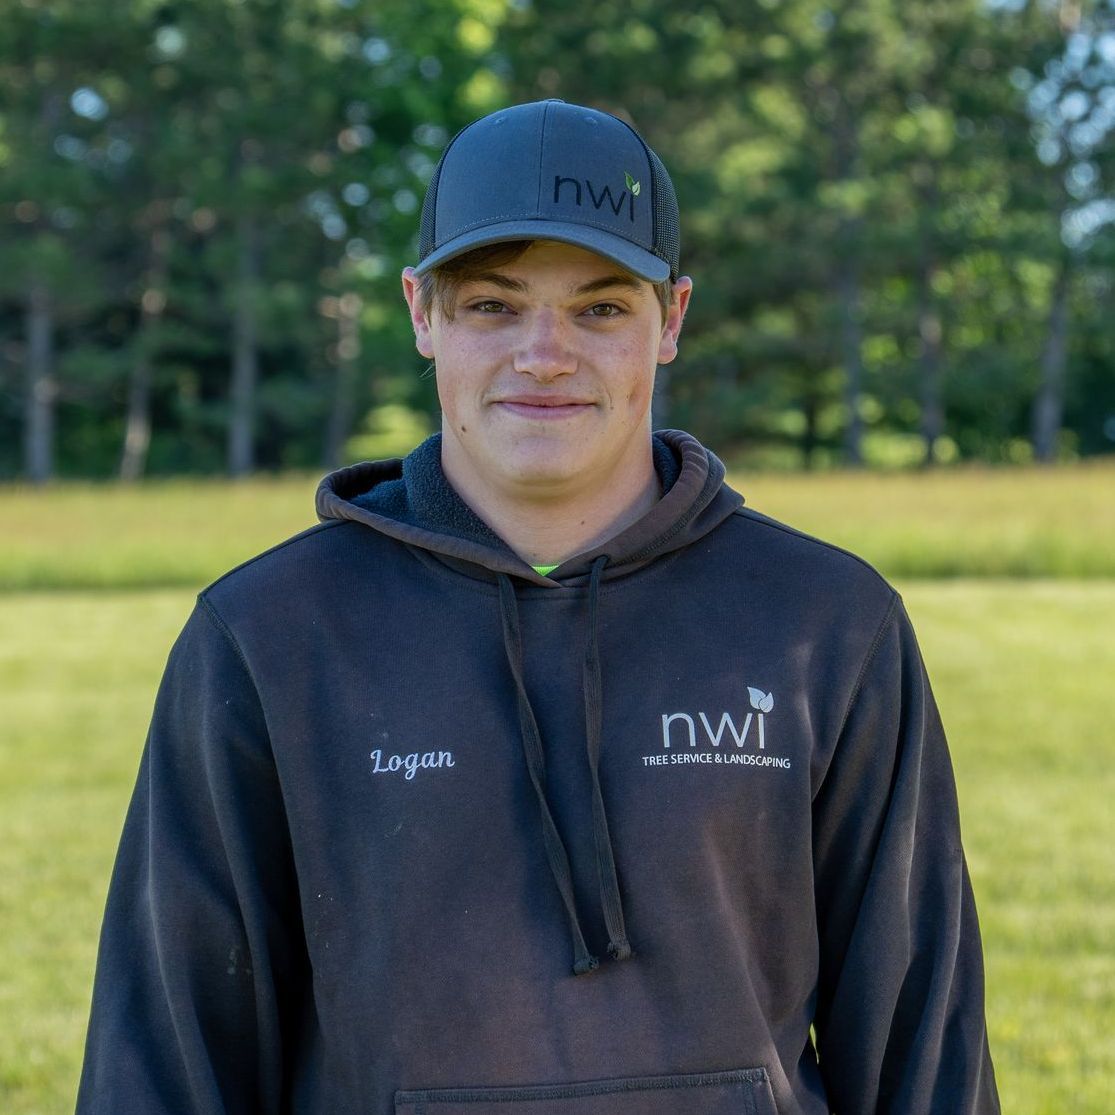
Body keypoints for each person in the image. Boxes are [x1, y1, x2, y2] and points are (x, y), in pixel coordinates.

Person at [77, 99, 1000, 1115]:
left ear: (671, 320)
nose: (545, 353)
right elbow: (167, 1059)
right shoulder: (268, 635)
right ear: (422, 314)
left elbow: (924, 1051)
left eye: (600, 307)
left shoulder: (824, 623)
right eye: (493, 306)